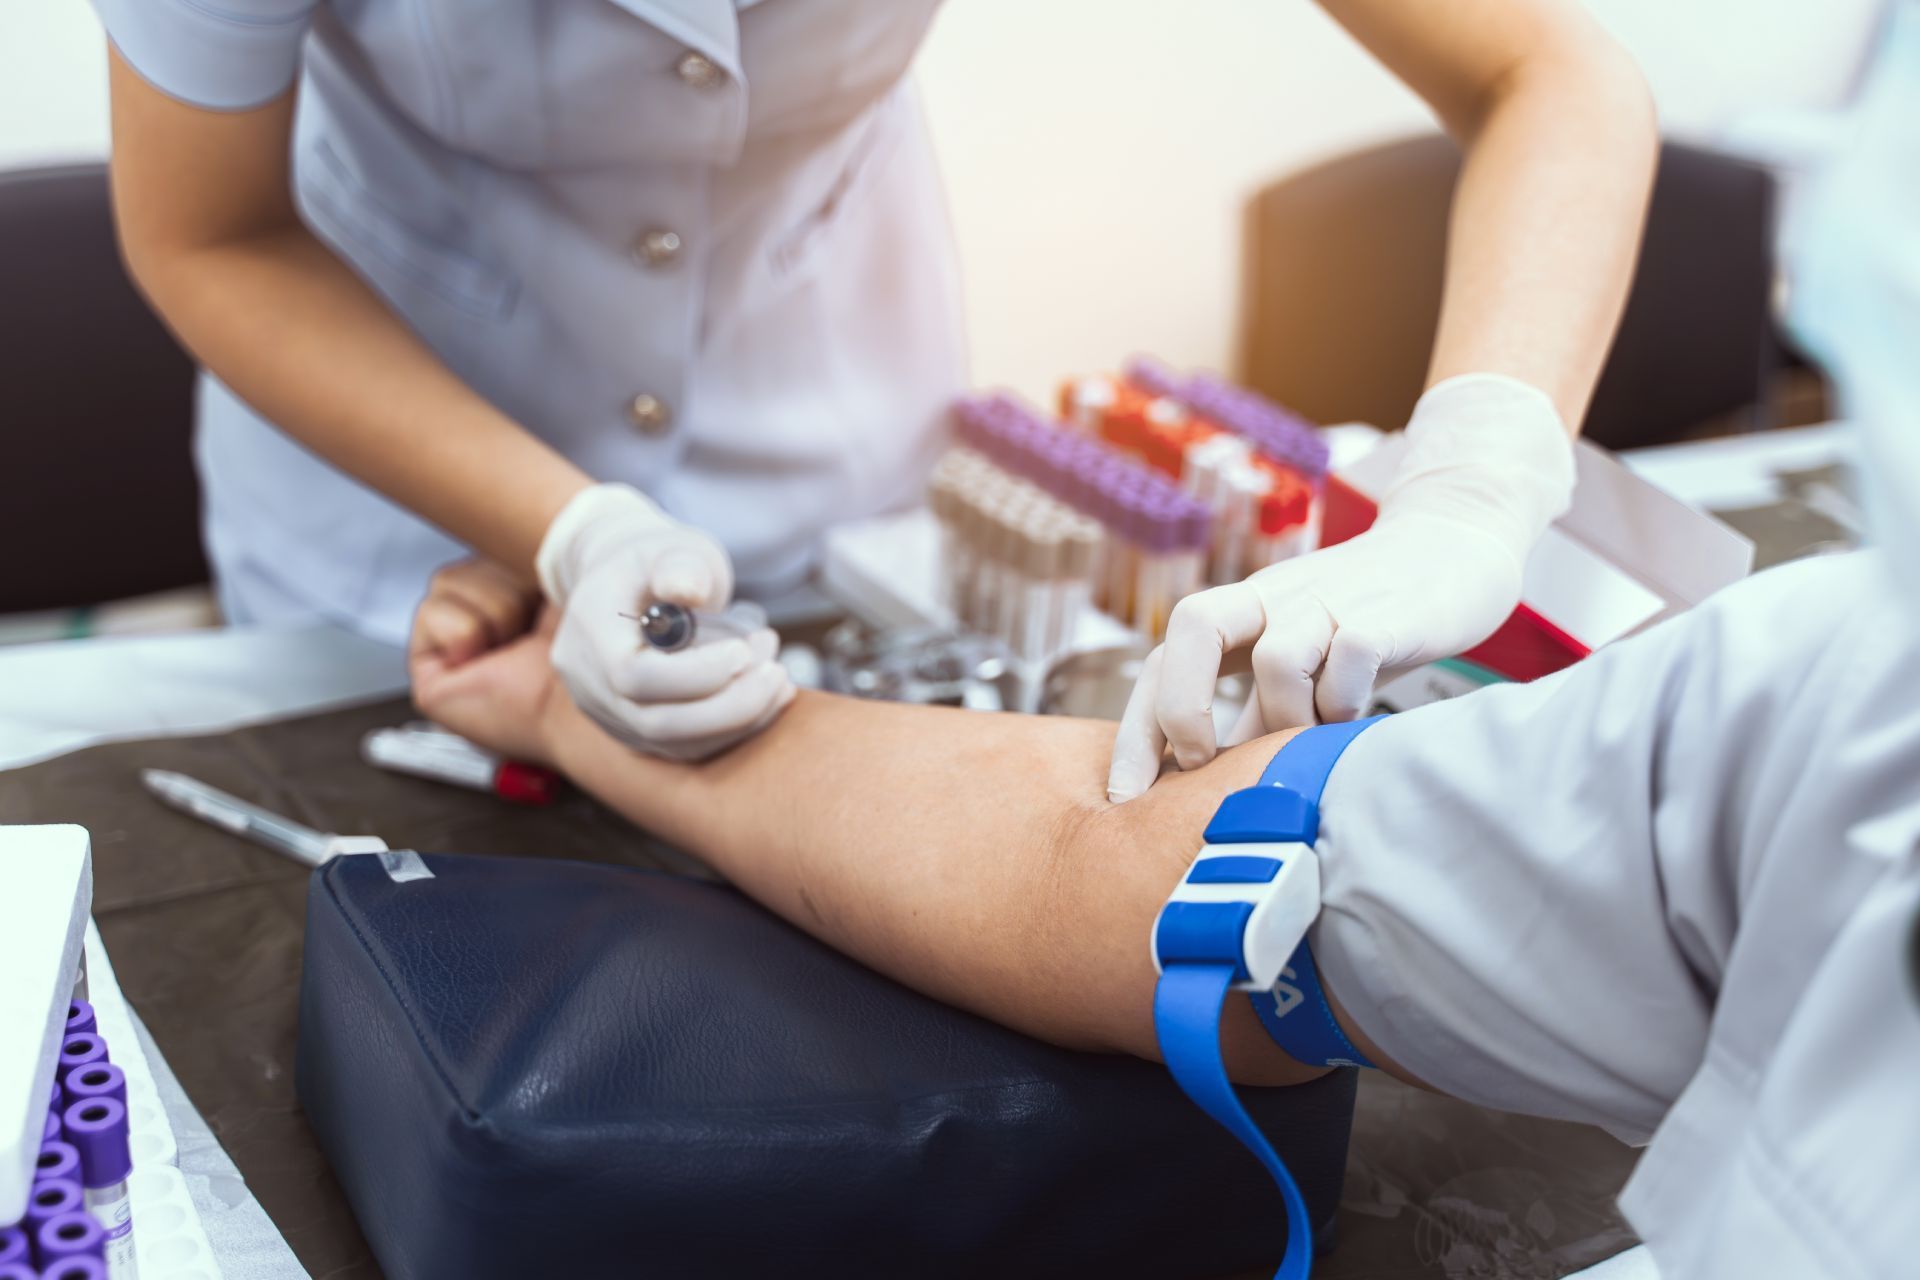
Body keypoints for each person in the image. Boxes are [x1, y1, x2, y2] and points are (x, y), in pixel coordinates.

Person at [95, 0, 1655, 767]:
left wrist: (1476, 486)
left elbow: (1549, 74)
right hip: (394, 461)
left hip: (830, 397)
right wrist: (572, 533)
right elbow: (205, 235)